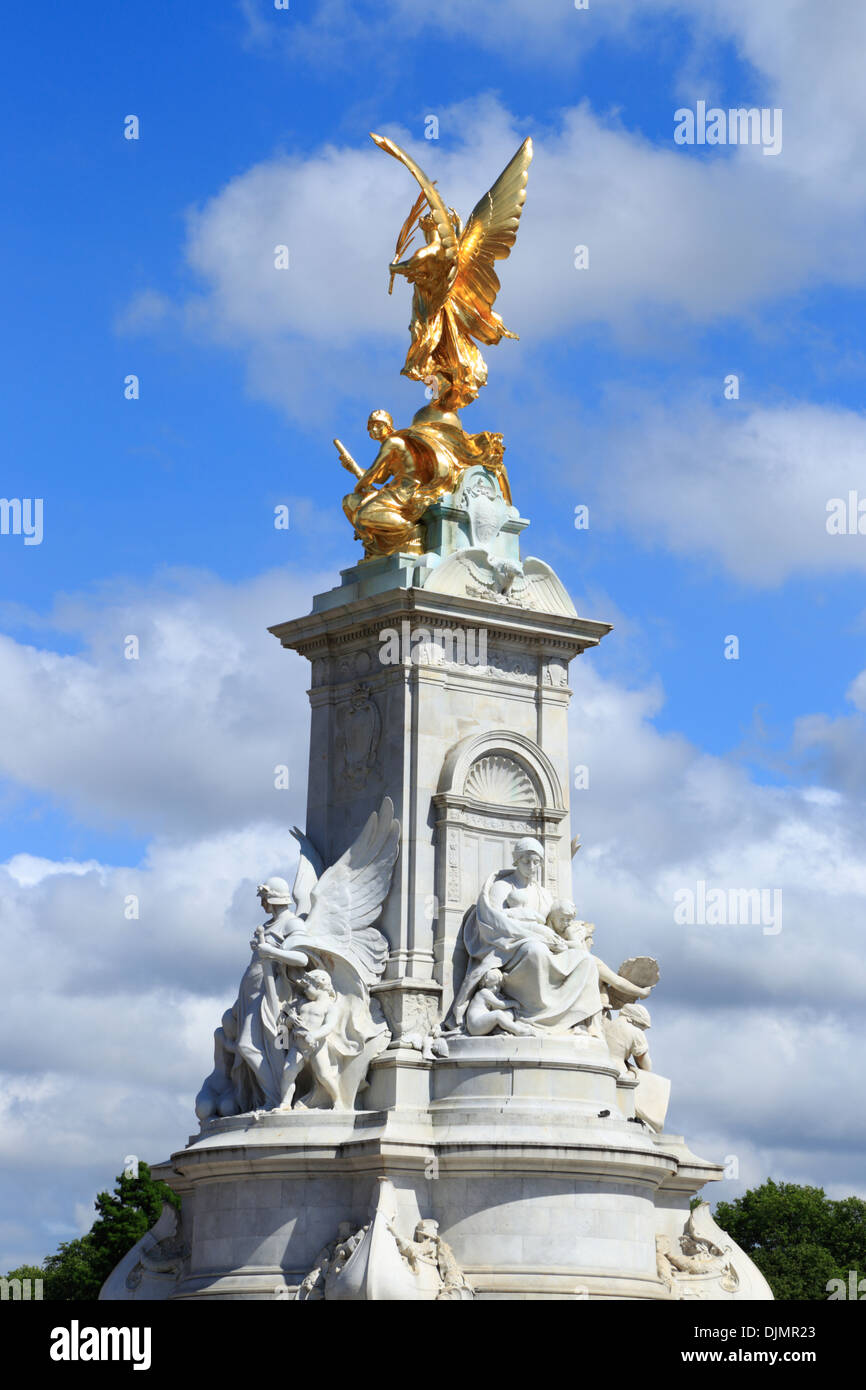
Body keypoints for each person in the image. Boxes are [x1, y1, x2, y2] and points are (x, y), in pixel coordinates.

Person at [465, 968, 536, 1037]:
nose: (495, 988)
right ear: (485, 983)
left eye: (497, 986)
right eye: (492, 986)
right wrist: (513, 1003)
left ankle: (501, 1029)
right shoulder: (484, 992)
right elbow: (500, 1004)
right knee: (498, 1014)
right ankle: (519, 1031)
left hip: (481, 1024)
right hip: (475, 1025)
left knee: (508, 1012)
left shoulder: (488, 993)